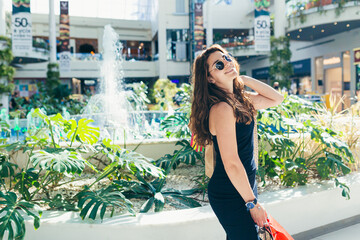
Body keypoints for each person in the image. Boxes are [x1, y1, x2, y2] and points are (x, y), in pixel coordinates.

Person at [189, 45, 284, 239]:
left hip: (244, 185)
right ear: (209, 78)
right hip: (229, 192)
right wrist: (252, 204)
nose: (227, 62)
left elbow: (277, 98)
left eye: (227, 57)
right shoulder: (222, 108)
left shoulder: (240, 99)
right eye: (219, 64)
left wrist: (243, 79)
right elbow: (231, 163)